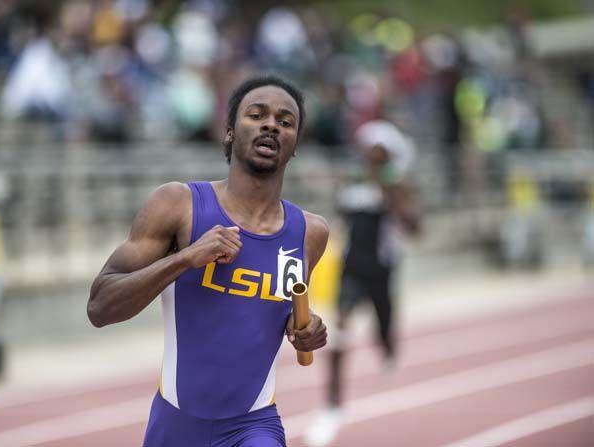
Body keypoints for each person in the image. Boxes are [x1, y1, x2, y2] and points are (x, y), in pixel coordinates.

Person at [87, 75, 329, 447]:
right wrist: (185, 259)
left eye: (285, 121)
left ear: (294, 145)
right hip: (175, 426)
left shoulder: (310, 232)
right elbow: (100, 307)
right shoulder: (178, 205)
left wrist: (307, 331)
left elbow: (276, 319)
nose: (270, 125)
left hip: (253, 425)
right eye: (256, 115)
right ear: (229, 132)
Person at [305, 120, 421, 447]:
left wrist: (392, 197)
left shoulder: (397, 186)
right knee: (339, 326)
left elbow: (415, 227)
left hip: (382, 270)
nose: (370, 156)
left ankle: (386, 344)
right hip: (351, 268)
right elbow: (337, 219)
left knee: (383, 329)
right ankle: (333, 401)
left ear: (388, 156)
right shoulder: (351, 183)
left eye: (378, 152)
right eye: (367, 150)